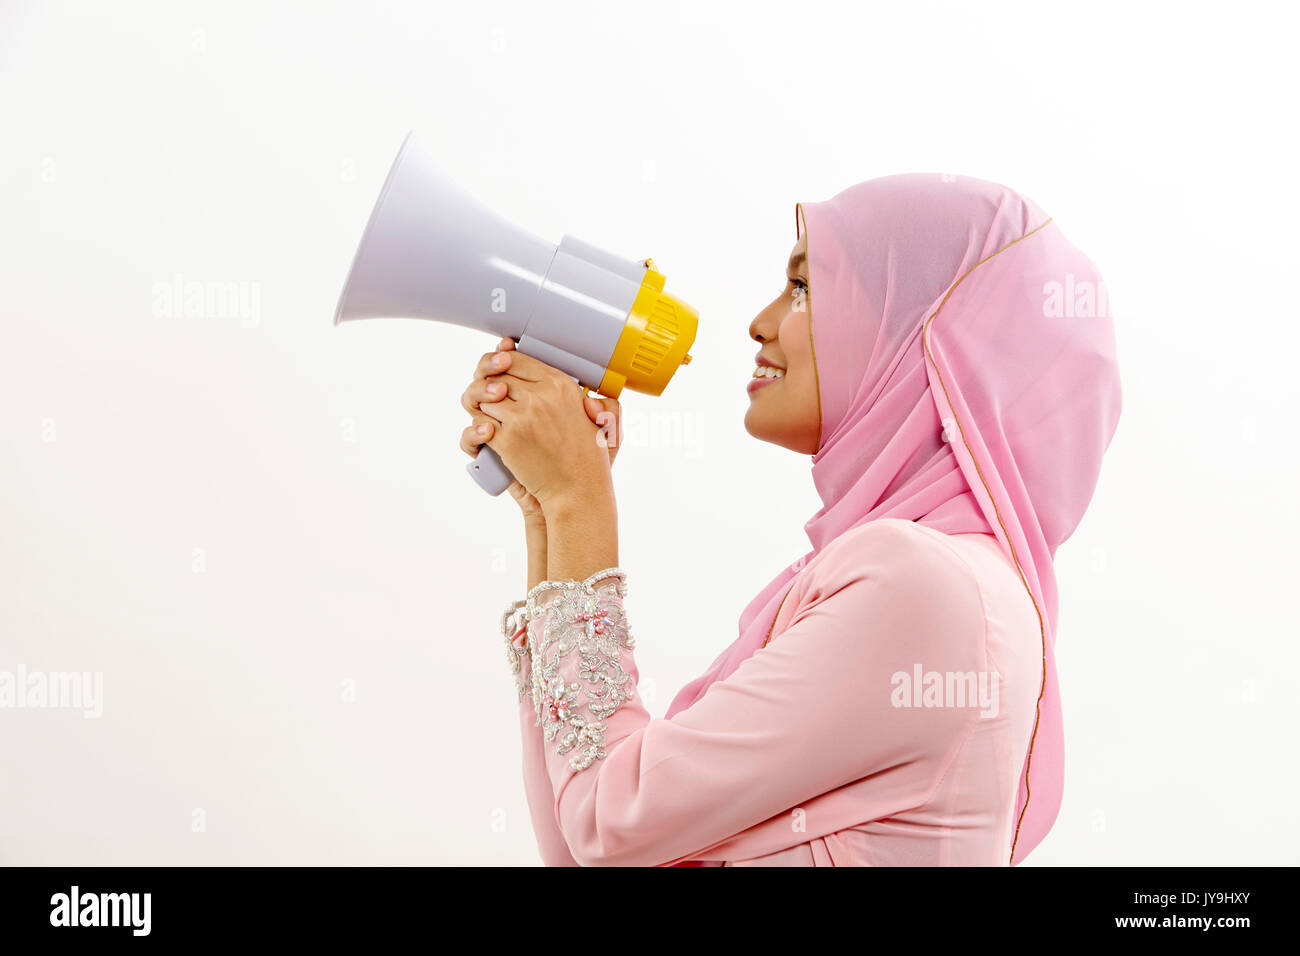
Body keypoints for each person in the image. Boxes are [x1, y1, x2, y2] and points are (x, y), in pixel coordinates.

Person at [458, 173, 1121, 866]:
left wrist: (577, 501)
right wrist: (546, 507)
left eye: (804, 287)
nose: (762, 322)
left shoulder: (928, 588)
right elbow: (578, 838)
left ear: (924, 336)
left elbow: (606, 826)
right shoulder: (943, 583)